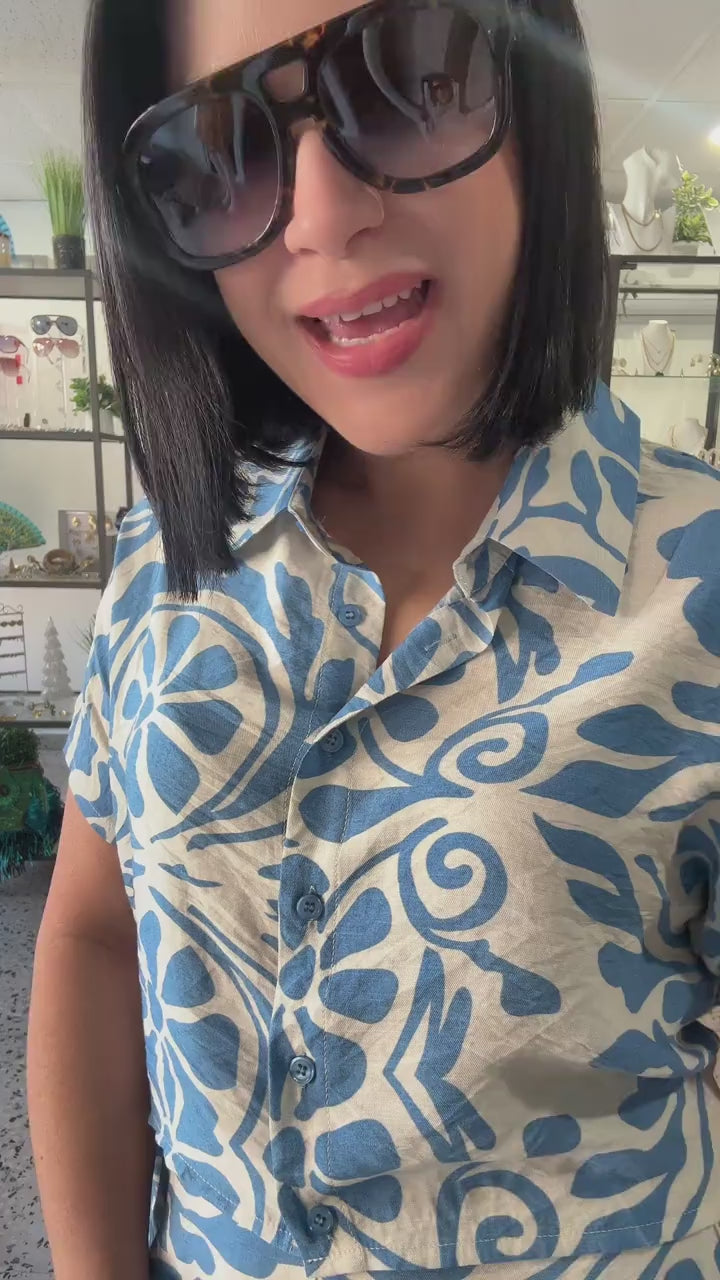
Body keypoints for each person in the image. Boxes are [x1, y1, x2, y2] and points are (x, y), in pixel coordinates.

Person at [27, 0, 720, 1277]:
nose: (322, 214)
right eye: (221, 150)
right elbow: (95, 932)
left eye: (406, 81)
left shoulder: (702, 588)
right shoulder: (162, 558)